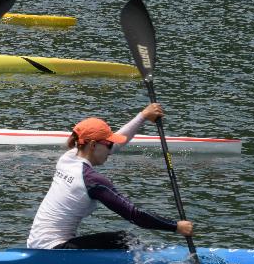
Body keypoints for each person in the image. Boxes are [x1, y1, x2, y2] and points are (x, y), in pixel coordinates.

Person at [26, 104, 194, 250]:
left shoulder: (68, 158)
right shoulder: (92, 181)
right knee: (124, 239)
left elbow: (117, 144)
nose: (111, 149)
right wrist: (176, 227)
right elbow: (134, 215)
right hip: (54, 250)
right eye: (108, 144)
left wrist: (143, 116)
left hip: (36, 243)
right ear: (92, 145)